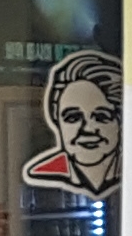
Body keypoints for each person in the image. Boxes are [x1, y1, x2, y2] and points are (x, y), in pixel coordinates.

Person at [23, 48, 124, 197]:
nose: (87, 129)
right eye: (73, 118)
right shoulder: (42, 173)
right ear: (56, 121)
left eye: (101, 117)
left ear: (120, 123)